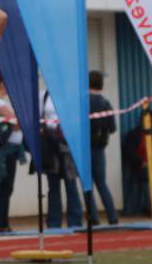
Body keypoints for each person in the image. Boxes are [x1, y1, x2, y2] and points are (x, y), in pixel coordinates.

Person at [38, 89, 84, 232]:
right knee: (53, 185)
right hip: (50, 143)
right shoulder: (43, 95)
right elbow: (40, 117)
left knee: (71, 183)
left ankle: (75, 221)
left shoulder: (70, 93)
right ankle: (53, 222)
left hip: (67, 142)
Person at [0, 74, 26, 233]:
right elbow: (15, 120)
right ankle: (0, 223)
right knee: (4, 186)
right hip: (5, 151)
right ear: (0, 83)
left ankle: (3, 222)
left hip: (12, 149)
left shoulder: (2, 101)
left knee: (7, 187)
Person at [85, 70, 119, 226]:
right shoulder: (105, 103)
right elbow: (113, 128)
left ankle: (93, 217)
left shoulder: (83, 102)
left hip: (85, 148)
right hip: (100, 148)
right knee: (102, 183)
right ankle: (112, 216)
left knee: (87, 184)